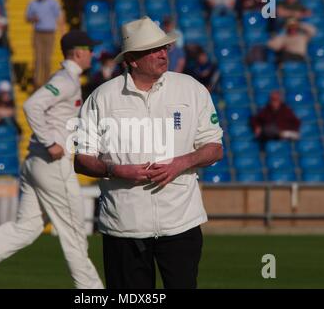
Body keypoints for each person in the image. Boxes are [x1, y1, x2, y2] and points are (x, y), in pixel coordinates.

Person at [74, 16, 224, 289]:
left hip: (181, 223)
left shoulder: (192, 89)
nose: (162, 53)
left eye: (164, 47)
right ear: (132, 59)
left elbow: (214, 148)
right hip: (123, 226)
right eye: (153, 49)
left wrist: (182, 162)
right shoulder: (102, 97)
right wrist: (115, 170)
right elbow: (82, 159)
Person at [0, 30, 104, 289]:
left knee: (25, 229)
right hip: (52, 164)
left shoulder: (68, 79)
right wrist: (50, 142)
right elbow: (32, 105)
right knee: (74, 233)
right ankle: (93, 292)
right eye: (90, 50)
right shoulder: (66, 80)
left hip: (37, 163)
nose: (93, 55)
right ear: (78, 53)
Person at [26, 0, 63, 89]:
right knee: (38, 58)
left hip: (49, 33)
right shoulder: (33, 3)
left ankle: (46, 81)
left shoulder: (53, 2)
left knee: (47, 58)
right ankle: (37, 83)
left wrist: (62, 30)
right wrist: (33, 18)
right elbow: (27, 17)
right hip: (38, 33)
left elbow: (59, 16)